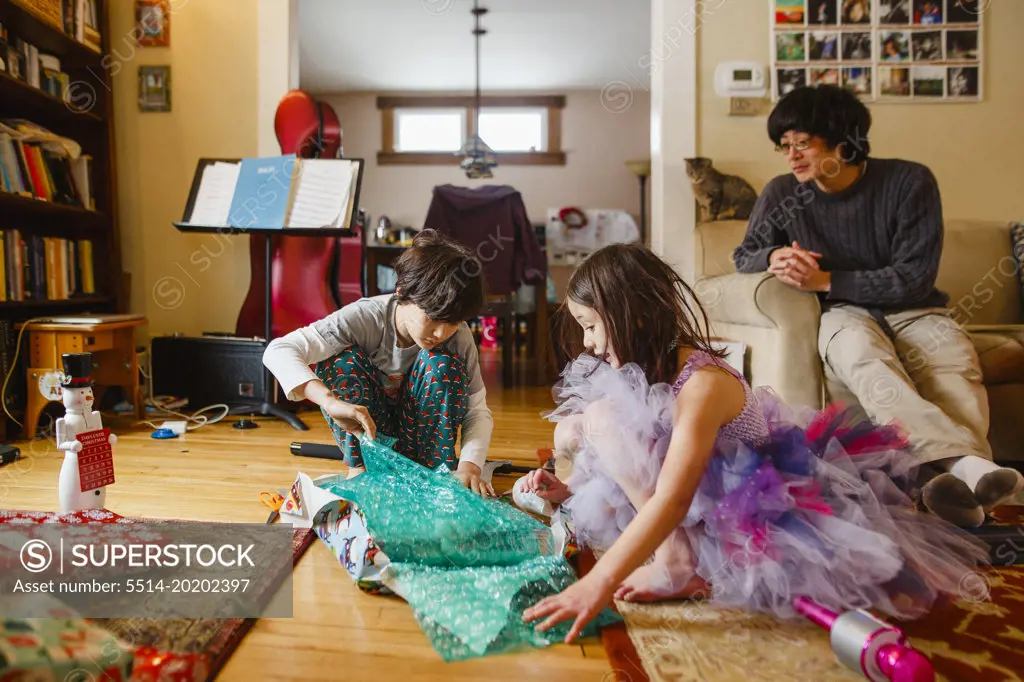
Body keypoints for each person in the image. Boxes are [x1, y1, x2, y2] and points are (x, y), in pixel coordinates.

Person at [519, 242, 989, 644]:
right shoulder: (644, 370)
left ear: (634, 319)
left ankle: (677, 559)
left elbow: (674, 497)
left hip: (753, 504)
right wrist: (575, 490)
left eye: (592, 325)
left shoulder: (702, 383)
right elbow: (647, 455)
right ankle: (673, 549)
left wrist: (600, 581)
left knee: (602, 424)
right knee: (587, 422)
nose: (590, 345)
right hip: (691, 486)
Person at [730, 85, 1022, 527]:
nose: (791, 156)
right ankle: (967, 470)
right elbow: (744, 254)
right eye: (784, 145)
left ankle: (949, 493)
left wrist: (825, 278)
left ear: (844, 140)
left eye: (802, 142)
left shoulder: (909, 181)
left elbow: (915, 276)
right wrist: (774, 257)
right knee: (863, 358)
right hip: (841, 313)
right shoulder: (781, 193)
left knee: (951, 362)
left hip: (914, 307)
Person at [262, 229, 496, 496]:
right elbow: (278, 350)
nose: (441, 333)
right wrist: (328, 401)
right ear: (402, 292)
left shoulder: (459, 337)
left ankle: (435, 473)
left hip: (424, 448)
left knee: (443, 365)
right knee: (339, 360)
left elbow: (476, 411)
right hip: (371, 439)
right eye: (434, 316)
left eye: (453, 322)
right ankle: (361, 469)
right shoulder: (364, 317)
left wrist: (470, 467)